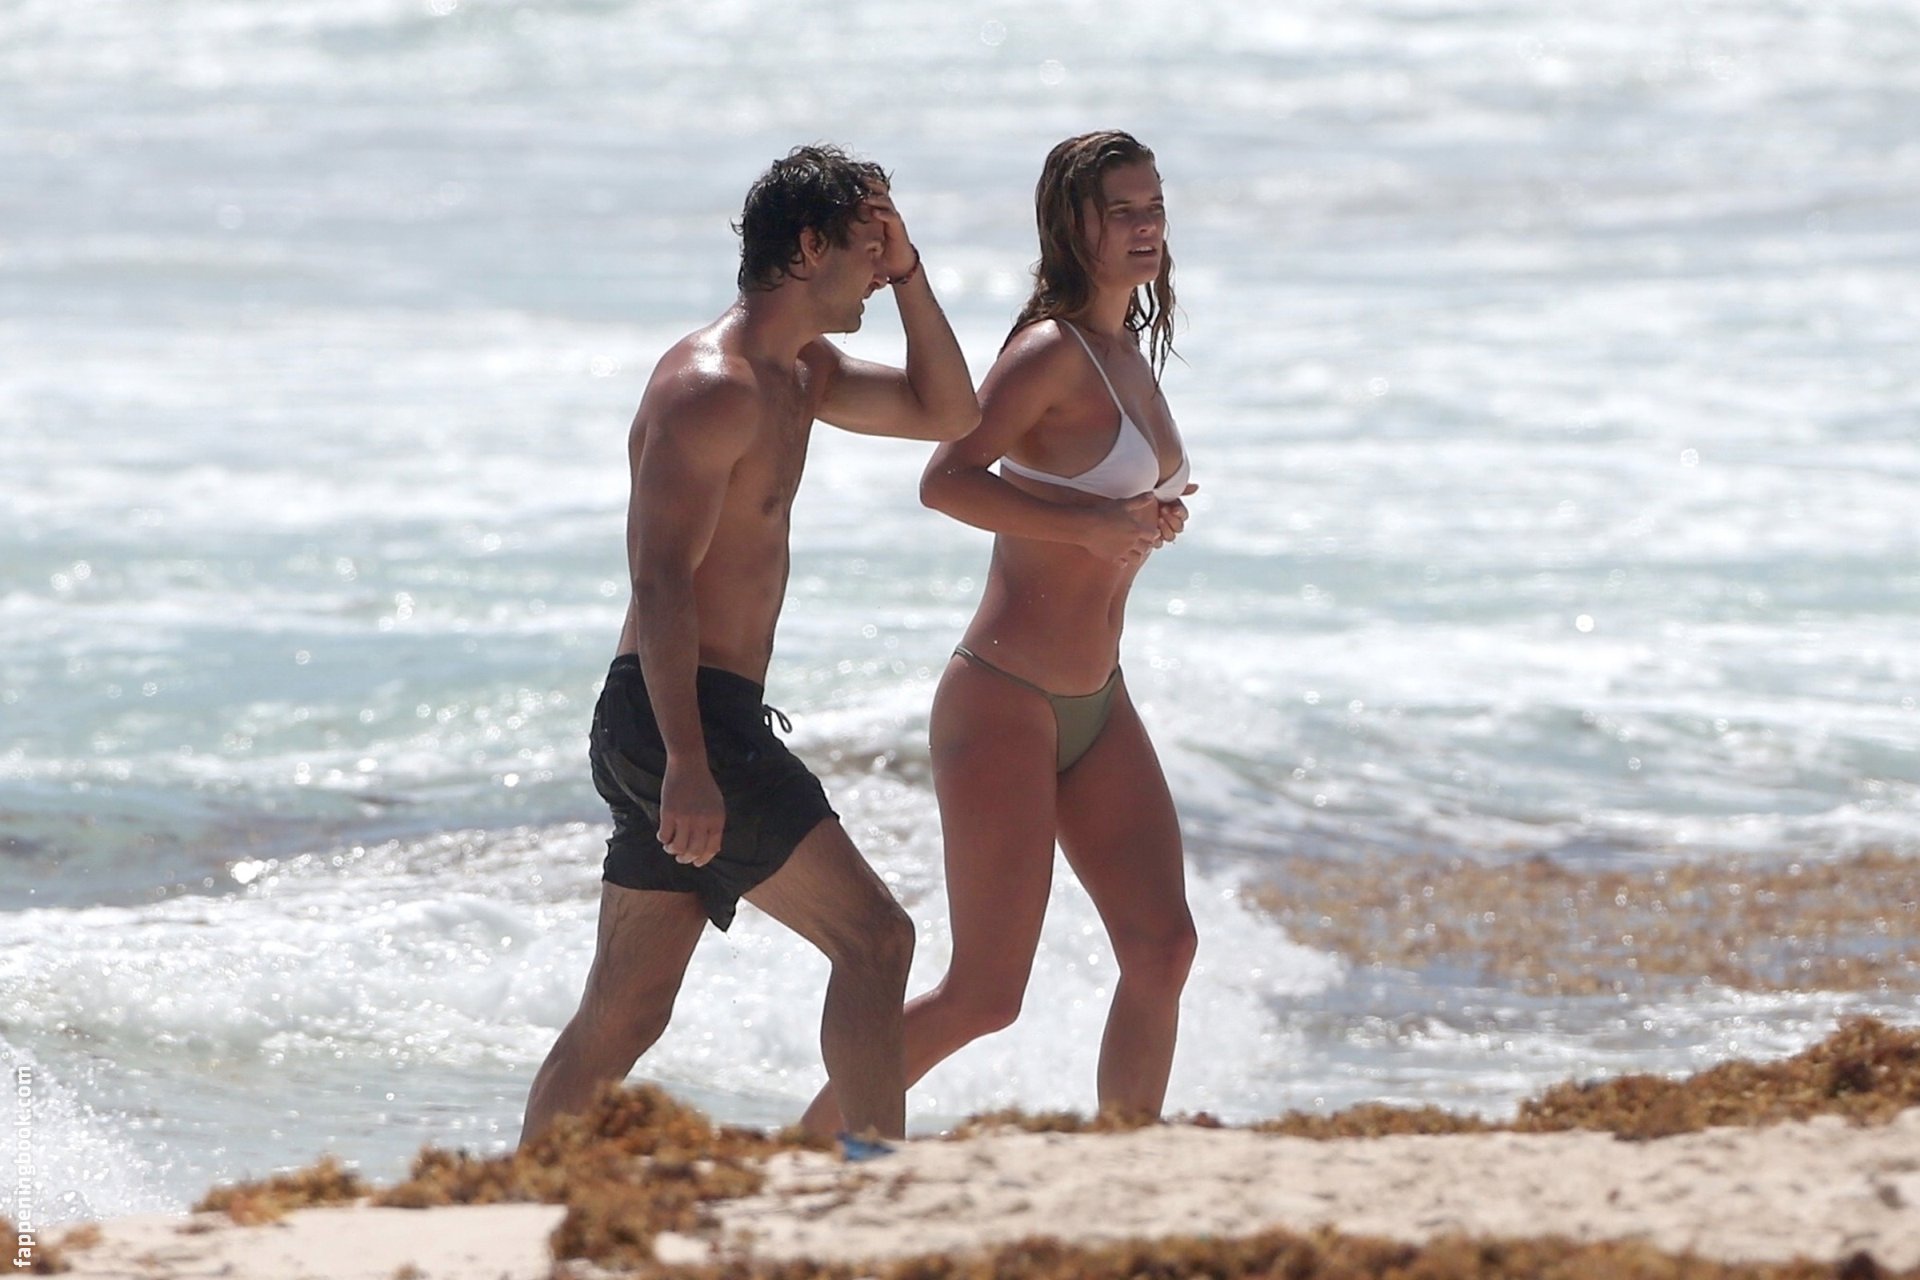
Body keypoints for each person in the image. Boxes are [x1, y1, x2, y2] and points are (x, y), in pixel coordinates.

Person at [521, 145, 979, 1148]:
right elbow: (659, 581)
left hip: (688, 715)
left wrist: (912, 273)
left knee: (625, 1014)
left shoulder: (801, 374)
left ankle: (523, 1193)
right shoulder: (710, 387)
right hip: (677, 714)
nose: (878, 268)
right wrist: (688, 761)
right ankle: (873, 1177)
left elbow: (950, 411)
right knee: (875, 938)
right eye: (868, 248)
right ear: (809, 247)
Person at [801, 130, 1198, 1136]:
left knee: (1163, 949)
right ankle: (807, 1147)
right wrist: (1095, 524)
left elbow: (1095, 502)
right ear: (1072, 224)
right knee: (984, 995)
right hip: (1004, 699)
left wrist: (1145, 519)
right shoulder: (1049, 351)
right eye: (1121, 210)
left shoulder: (1125, 353)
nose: (1145, 225)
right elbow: (945, 479)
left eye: (1153, 205)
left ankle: (1127, 1158)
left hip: (1098, 699)